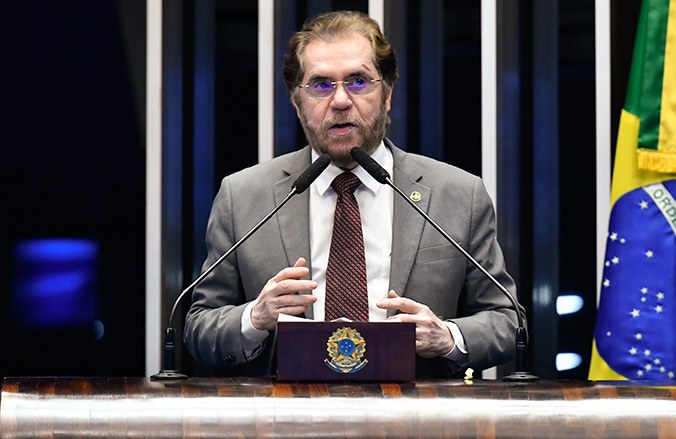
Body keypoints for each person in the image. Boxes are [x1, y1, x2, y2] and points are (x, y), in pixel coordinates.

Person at [184, 10, 522, 378]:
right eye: (320, 85)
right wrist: (255, 316)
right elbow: (199, 327)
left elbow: (508, 322)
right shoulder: (244, 196)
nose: (341, 100)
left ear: (387, 94)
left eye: (358, 81)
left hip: (415, 411)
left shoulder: (457, 195)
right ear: (296, 102)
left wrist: (447, 336)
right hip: (287, 409)